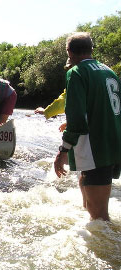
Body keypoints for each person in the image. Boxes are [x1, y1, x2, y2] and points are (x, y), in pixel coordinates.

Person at [54, 32, 121, 221]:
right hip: (113, 142)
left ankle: (108, 251)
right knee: (90, 209)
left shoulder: (76, 73)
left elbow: (76, 117)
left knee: (99, 217)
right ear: (92, 49)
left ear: (69, 51)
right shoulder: (109, 71)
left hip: (96, 147)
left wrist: (63, 150)